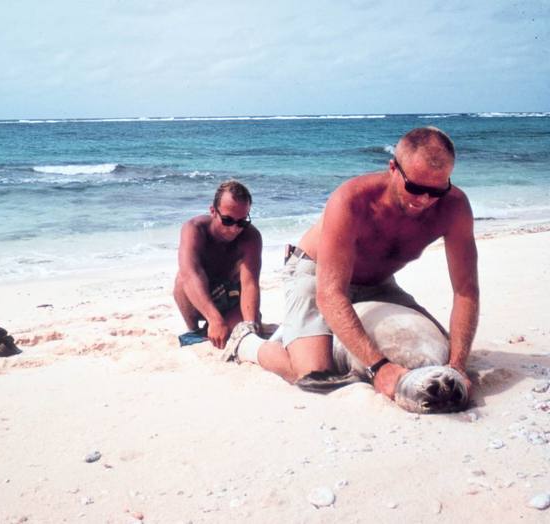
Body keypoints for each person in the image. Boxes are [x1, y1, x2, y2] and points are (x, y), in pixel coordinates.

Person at [223, 127, 479, 400]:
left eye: (437, 190)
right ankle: (248, 345)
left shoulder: (455, 207)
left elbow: (466, 290)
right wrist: (380, 368)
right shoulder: (352, 200)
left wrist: (457, 365)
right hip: (315, 274)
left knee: (441, 349)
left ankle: (306, 333)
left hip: (379, 283)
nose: (425, 200)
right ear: (393, 168)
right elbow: (330, 294)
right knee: (312, 375)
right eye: (415, 187)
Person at [173, 180, 263, 349]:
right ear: (213, 211)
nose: (235, 228)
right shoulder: (195, 229)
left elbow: (250, 283)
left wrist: (250, 325)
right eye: (228, 221)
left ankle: (215, 329)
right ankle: (194, 329)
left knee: (242, 330)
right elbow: (190, 274)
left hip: (232, 297)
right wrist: (214, 319)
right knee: (181, 279)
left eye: (242, 222)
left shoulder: (251, 237)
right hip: (201, 294)